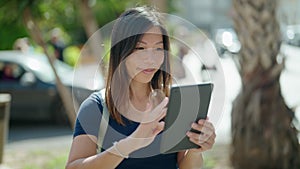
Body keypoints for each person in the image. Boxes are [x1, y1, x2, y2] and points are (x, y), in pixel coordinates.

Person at [66, 6, 216, 169]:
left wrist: (196, 150)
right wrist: (131, 143)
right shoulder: (96, 107)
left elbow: (185, 166)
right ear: (121, 51)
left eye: (158, 48)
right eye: (140, 48)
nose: (151, 59)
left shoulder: (174, 103)